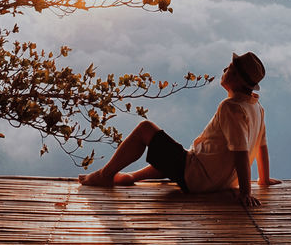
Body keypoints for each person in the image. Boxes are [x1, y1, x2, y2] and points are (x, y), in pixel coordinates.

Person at [78, 51, 280, 207]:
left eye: (228, 69)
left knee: (145, 129)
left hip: (199, 178)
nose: (224, 71)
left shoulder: (231, 107)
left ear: (235, 78)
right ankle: (132, 177)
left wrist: (246, 192)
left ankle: (105, 175)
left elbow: (241, 153)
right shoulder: (257, 108)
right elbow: (261, 146)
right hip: (221, 181)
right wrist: (263, 179)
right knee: (177, 157)